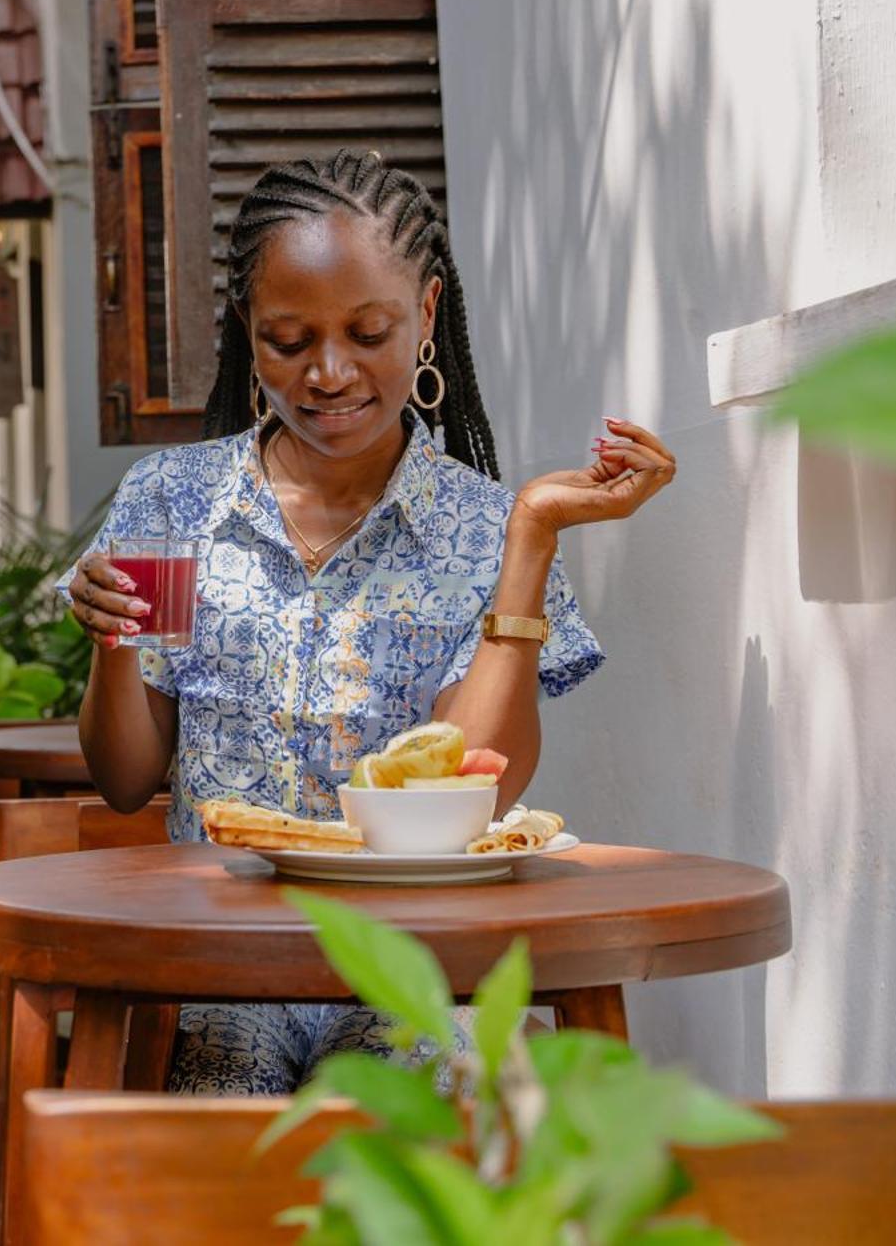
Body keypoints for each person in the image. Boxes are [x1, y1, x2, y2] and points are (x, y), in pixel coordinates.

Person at [62, 149, 676, 1095]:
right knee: (217, 1158)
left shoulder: (480, 528)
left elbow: (479, 790)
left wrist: (533, 537)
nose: (329, 371)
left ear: (425, 315)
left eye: (368, 330)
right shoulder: (172, 502)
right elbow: (125, 776)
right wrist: (115, 641)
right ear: (247, 331)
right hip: (214, 966)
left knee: (419, 1132)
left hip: (415, 966)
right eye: (289, 339)